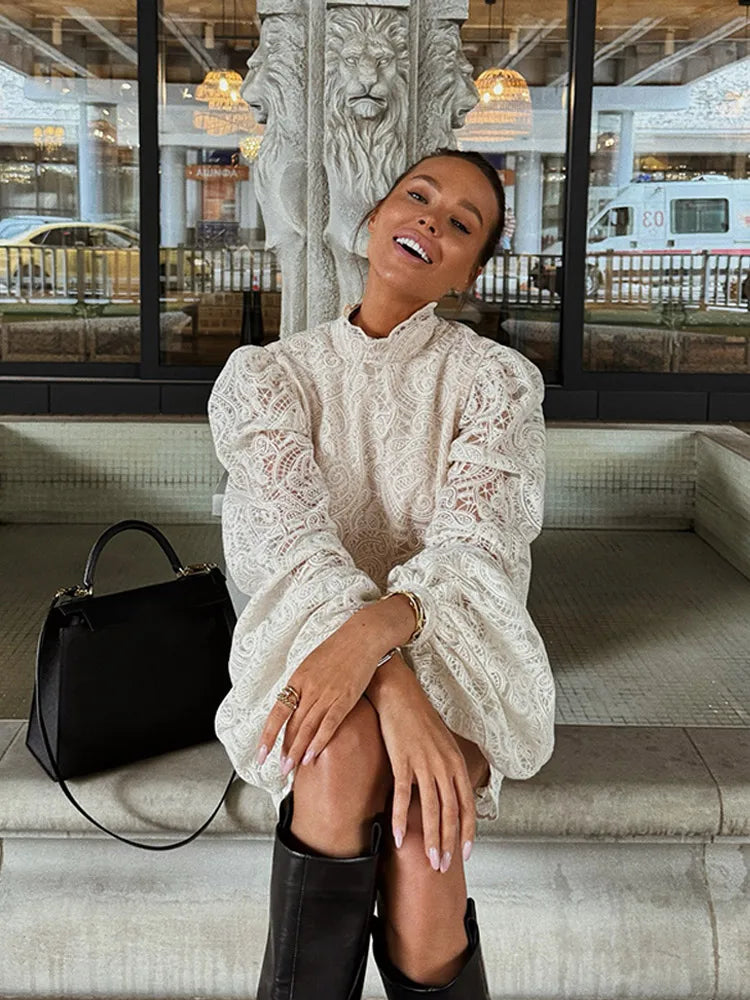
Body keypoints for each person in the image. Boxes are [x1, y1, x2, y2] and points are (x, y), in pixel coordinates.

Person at [207, 147, 555, 999]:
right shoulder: (268, 379)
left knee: (417, 831)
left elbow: (476, 555)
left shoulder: (498, 385)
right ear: (373, 220)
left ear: (469, 269)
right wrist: (378, 672)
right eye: (419, 196)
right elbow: (288, 551)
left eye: (462, 223)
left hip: (457, 652)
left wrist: (379, 649)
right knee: (339, 755)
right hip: (311, 646)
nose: (433, 219)